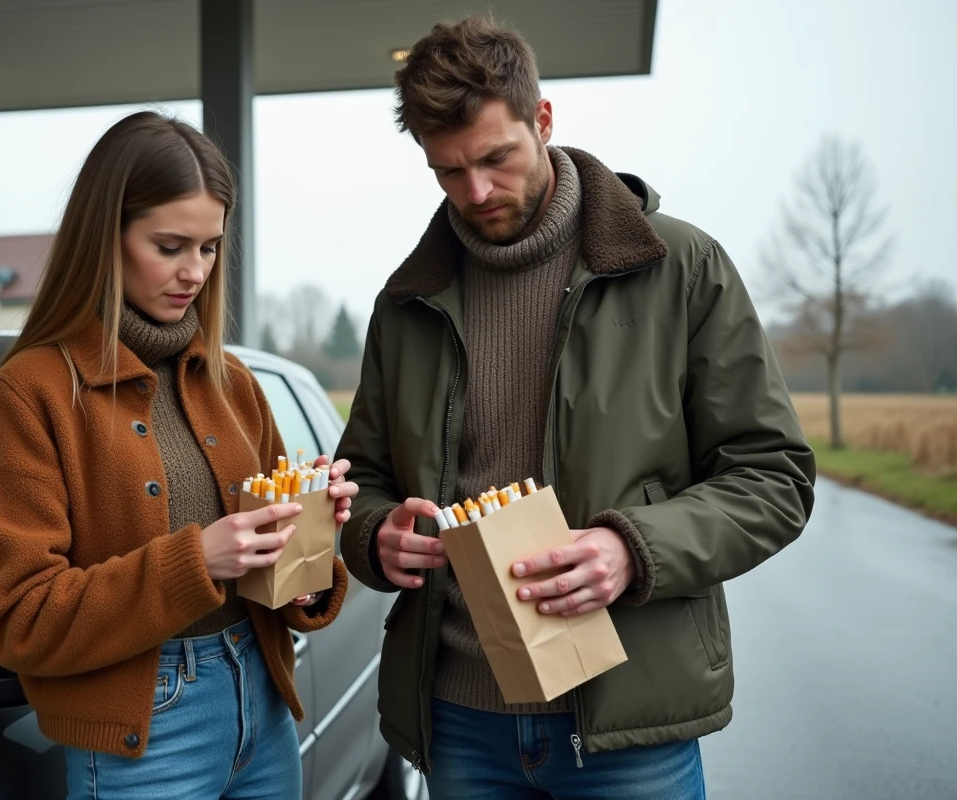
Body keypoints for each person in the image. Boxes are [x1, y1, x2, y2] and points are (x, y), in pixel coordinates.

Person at [336, 15, 815, 800]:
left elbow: (775, 477)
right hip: (459, 721)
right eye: (448, 171)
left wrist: (634, 549)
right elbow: (366, 480)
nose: (477, 191)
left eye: (496, 158)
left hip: (630, 727)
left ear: (544, 121)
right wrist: (375, 537)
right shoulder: (407, 302)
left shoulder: (682, 266)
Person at [0, 110, 355, 800]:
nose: (195, 272)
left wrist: (311, 534)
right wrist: (195, 560)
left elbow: (285, 588)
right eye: (171, 245)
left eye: (209, 248)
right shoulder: (31, 394)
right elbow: (19, 619)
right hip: (145, 735)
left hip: (261, 704)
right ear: (104, 237)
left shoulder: (234, 381)